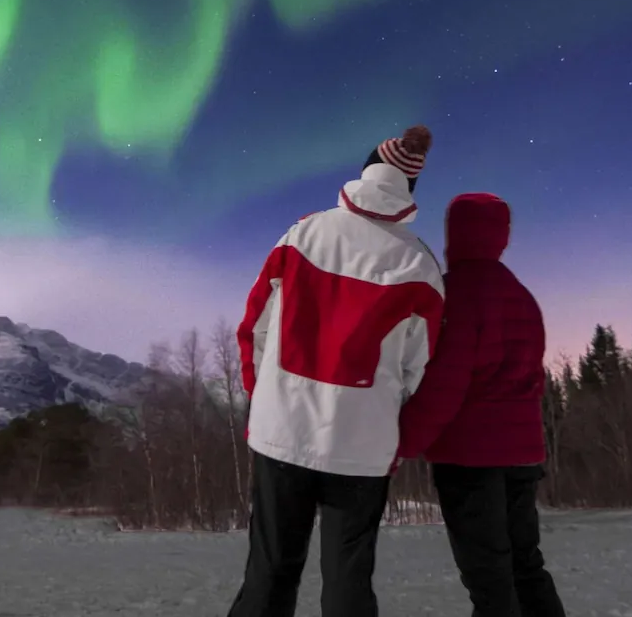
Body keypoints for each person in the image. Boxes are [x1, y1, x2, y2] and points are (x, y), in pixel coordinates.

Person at [227, 125, 445, 617]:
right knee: (349, 581)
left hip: (282, 430)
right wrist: (384, 414)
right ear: (408, 190)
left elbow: (255, 326)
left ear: (365, 171)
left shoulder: (304, 232)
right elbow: (419, 365)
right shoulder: (420, 263)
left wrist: (263, 397)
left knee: (269, 572)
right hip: (361, 448)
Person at [397, 192, 566, 617]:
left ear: (456, 234)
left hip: (472, 461)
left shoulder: (455, 294)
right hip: (523, 458)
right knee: (525, 567)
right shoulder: (521, 295)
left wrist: (399, 443)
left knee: (490, 581)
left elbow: (444, 385)